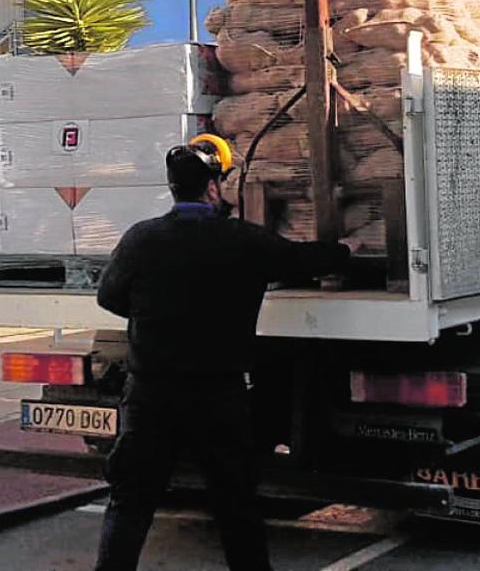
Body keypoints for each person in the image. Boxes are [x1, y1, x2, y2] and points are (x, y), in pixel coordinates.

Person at [93, 135, 355, 571]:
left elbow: (109, 296)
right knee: (235, 503)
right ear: (213, 189)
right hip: (217, 396)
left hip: (151, 395)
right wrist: (346, 252)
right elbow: (301, 261)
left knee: (131, 500)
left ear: (174, 188)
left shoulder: (142, 239)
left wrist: (148, 316)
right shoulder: (242, 240)